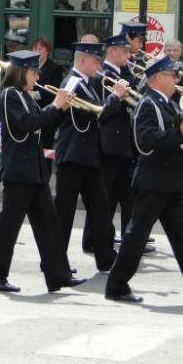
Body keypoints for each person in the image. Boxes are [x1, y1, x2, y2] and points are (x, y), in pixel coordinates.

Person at [105, 55, 183, 304]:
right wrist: (178, 133)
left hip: (170, 182)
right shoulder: (147, 104)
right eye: (171, 75)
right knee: (136, 236)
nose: (176, 79)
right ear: (157, 78)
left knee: (182, 238)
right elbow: (145, 142)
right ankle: (116, 286)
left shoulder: (170, 104)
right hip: (153, 181)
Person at [0, 50, 86, 293]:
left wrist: (62, 109)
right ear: (21, 72)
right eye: (33, 71)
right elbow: (27, 125)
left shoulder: (25, 96)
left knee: (48, 224)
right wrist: (55, 106)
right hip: (18, 171)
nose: (37, 75)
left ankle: (58, 275)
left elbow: (42, 127)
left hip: (34, 170)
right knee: (8, 225)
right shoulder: (10, 95)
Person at [54, 42, 121, 272]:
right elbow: (95, 114)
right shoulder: (72, 83)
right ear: (82, 60)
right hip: (73, 156)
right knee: (64, 212)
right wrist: (116, 98)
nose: (99, 65)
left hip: (88, 156)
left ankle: (105, 257)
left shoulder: (86, 83)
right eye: (95, 60)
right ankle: (54, 261)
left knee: (101, 210)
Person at [84, 34, 153, 253]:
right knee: (104, 196)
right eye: (124, 51)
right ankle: (93, 240)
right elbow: (101, 111)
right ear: (111, 50)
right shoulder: (101, 75)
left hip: (124, 144)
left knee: (129, 195)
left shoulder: (123, 74)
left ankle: (131, 239)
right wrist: (119, 96)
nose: (128, 54)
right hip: (108, 143)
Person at [31, 36, 64, 176]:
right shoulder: (29, 65)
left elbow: (53, 90)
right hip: (32, 113)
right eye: (35, 49)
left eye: (40, 49)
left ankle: (45, 175)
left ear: (47, 51)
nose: (37, 52)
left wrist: (36, 94)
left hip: (47, 113)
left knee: (46, 148)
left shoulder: (55, 68)